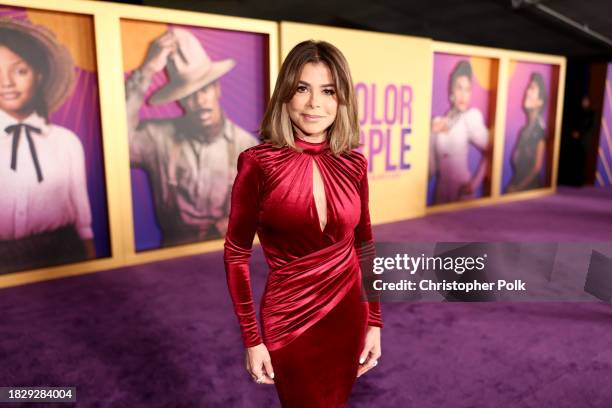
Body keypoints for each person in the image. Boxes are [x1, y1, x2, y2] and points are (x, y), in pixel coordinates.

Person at [224, 40, 383, 407]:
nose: (315, 103)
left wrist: (374, 321)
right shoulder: (257, 163)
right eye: (302, 88)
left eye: (328, 91)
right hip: (289, 318)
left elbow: (365, 246)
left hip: (348, 314)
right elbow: (236, 256)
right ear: (285, 95)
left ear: (342, 99)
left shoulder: (354, 164)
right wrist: (252, 339)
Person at [125, 27, 257, 246]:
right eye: (189, 94)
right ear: (179, 100)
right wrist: (147, 70)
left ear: (217, 89)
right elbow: (116, 143)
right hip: (174, 254)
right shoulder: (157, 137)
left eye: (205, 89)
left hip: (230, 252)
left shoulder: (247, 146)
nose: (200, 101)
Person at [0, 18, 95, 274]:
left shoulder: (66, 142)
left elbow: (81, 214)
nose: (6, 82)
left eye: (20, 71)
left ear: (38, 75)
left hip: (62, 250)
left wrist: (92, 260)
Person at [429, 60, 490, 204]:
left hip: (461, 192)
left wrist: (475, 183)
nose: (463, 95)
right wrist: (430, 133)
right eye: (459, 88)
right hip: (441, 192)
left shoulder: (471, 117)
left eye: (467, 89)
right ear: (451, 91)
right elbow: (431, 168)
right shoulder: (440, 120)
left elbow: (492, 149)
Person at [506, 72, 548, 193]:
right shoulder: (523, 132)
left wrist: (518, 188)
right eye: (528, 88)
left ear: (540, 102)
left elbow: (537, 167)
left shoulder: (540, 131)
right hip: (517, 186)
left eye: (532, 89)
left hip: (530, 191)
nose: (527, 92)